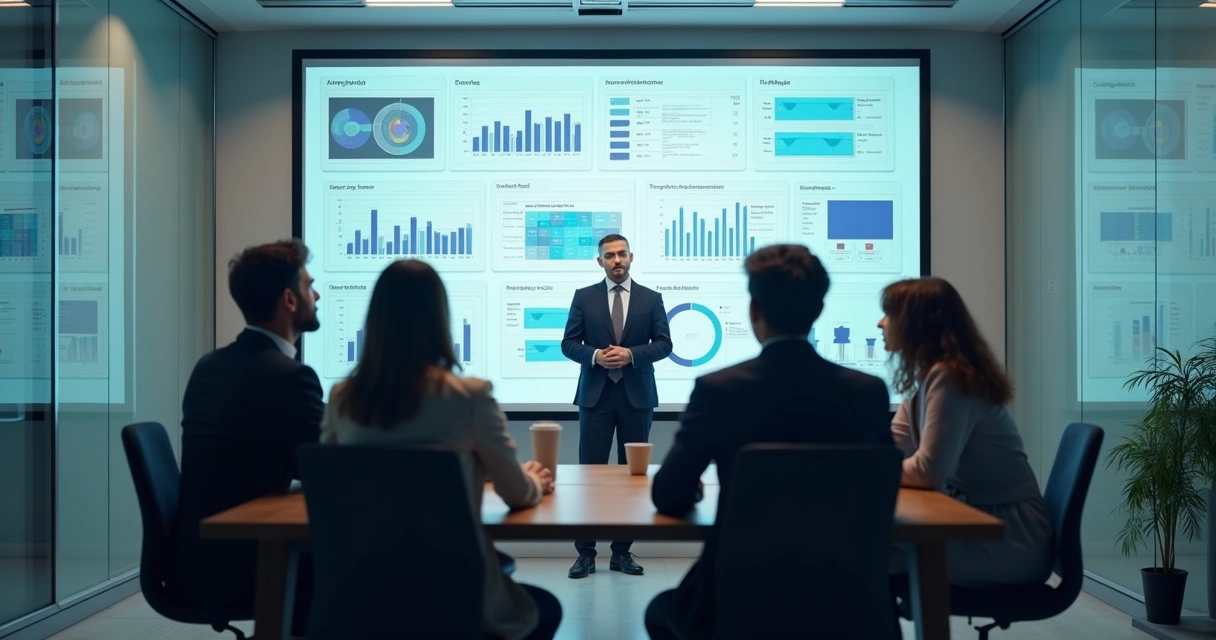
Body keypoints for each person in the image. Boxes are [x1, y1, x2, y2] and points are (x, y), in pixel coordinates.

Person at [645, 244, 894, 640]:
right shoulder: (868, 392)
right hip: (847, 600)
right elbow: (882, 487)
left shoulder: (719, 390)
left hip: (738, 601)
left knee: (660, 613)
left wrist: (689, 489)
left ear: (754, 310)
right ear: (818, 310)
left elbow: (667, 494)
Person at [321, 259, 562, 640]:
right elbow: (516, 494)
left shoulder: (341, 399)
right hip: (454, 596)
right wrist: (533, 478)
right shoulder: (468, 396)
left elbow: (332, 491)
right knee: (546, 608)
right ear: (439, 319)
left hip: (364, 596)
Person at [176, 239, 322, 629]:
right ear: (290, 300)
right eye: (310, 286)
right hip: (253, 566)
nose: (317, 294)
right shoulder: (289, 378)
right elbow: (328, 471)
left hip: (196, 562)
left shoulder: (210, 366)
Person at [879, 276, 1052, 586]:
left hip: (1006, 537)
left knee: (862, 553)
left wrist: (863, 470)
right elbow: (890, 448)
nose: (881, 323)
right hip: (973, 521)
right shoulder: (927, 378)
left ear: (915, 325)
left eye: (889, 315)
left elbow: (927, 472)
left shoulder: (951, 379)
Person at [560, 233, 673, 579]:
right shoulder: (584, 297)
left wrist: (631, 355)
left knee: (631, 477)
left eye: (622, 254)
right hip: (595, 396)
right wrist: (594, 356)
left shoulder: (651, 299)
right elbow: (568, 343)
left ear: (631, 256)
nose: (617, 260)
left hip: (637, 397)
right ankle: (586, 554)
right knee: (589, 476)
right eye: (609, 256)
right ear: (600, 262)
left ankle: (621, 552)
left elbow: (665, 344)